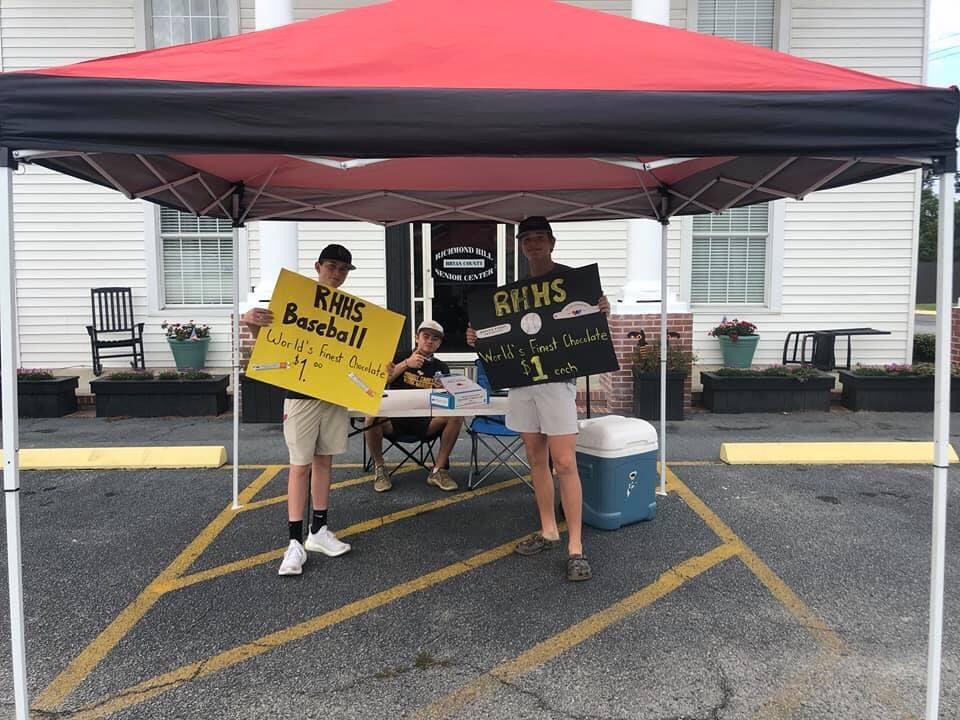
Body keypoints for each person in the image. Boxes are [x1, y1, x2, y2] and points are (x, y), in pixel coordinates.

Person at [467, 216, 609, 582]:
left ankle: (575, 546)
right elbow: (496, 335)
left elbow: (589, 322)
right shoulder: (512, 294)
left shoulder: (571, 283)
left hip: (558, 382)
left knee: (564, 463)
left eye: (539, 237)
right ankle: (549, 530)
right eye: (526, 238)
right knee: (535, 457)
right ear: (519, 245)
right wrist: (477, 337)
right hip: (521, 382)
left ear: (552, 242)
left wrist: (602, 311)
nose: (533, 243)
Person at [243, 243, 360, 577]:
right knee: (299, 466)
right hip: (300, 394)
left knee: (324, 461)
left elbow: (358, 351)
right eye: (332, 266)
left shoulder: (349, 311)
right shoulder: (294, 301)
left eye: (342, 269)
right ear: (318, 266)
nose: (336, 274)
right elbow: (270, 348)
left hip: (334, 394)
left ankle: (318, 531)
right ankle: (294, 542)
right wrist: (251, 323)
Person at [365, 320, 464, 493]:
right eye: (425, 336)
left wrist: (442, 390)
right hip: (394, 420)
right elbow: (379, 382)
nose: (429, 341)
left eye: (435, 338)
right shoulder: (398, 356)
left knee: (456, 416)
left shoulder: (441, 367)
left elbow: (447, 400)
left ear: (439, 343)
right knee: (371, 416)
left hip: (425, 423)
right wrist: (406, 364)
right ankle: (380, 468)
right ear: (416, 338)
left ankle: (438, 471)